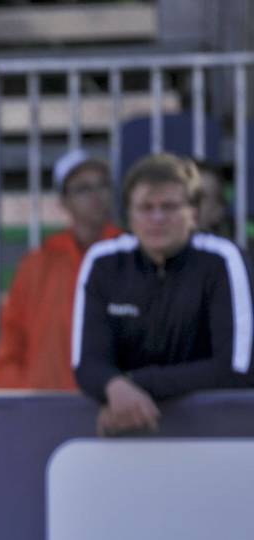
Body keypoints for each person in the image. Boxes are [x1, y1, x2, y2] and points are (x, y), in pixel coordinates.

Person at [72, 152, 254, 436]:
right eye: (146, 207)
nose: (157, 218)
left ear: (194, 213)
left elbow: (236, 368)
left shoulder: (222, 259)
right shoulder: (103, 262)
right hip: (128, 437)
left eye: (169, 207)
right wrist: (113, 386)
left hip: (216, 435)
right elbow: (87, 363)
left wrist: (133, 384)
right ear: (129, 214)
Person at [0, 149, 121, 390]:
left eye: (102, 185)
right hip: (45, 401)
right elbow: (11, 337)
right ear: (63, 201)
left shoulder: (132, 255)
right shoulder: (38, 264)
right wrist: (20, 391)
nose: (96, 195)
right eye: (83, 188)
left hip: (116, 401)